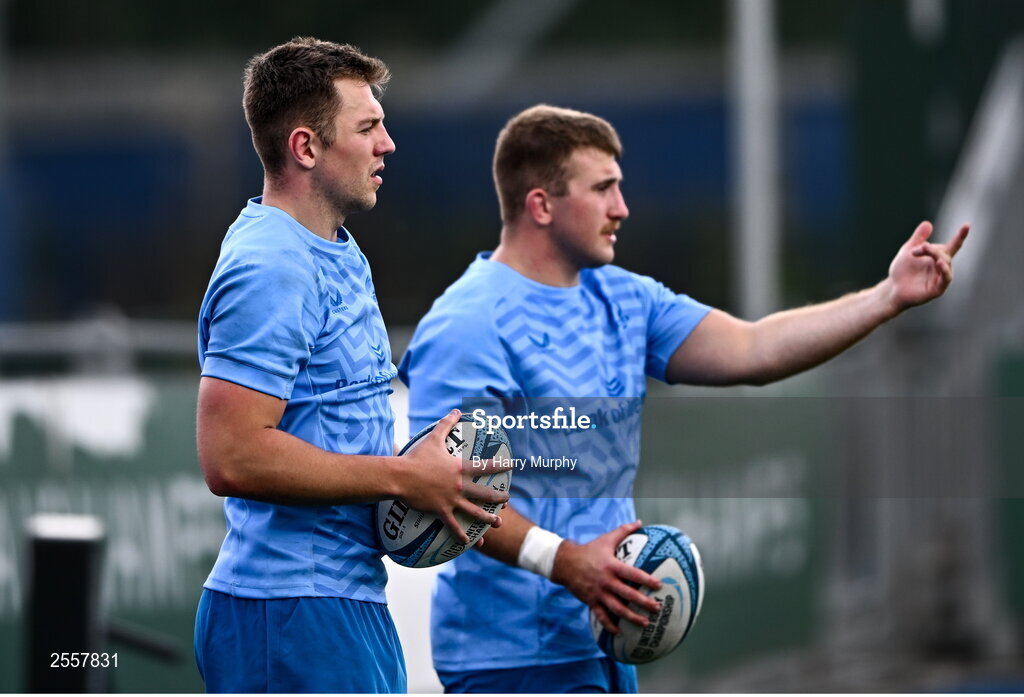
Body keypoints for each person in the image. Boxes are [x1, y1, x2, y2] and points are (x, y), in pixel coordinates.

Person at [398, 104, 969, 693]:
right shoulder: (468, 325)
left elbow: (755, 349)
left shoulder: (623, 297)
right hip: (512, 658)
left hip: (606, 644)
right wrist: (567, 563)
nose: (622, 209)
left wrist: (886, 297)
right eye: (604, 190)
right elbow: (453, 498)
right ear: (541, 205)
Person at [193, 37, 508, 694]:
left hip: (340, 602)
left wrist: (423, 477)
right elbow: (231, 455)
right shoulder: (270, 266)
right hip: (288, 613)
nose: (387, 143)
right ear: (306, 148)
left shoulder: (334, 247)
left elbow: (324, 428)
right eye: (367, 127)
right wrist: (402, 477)